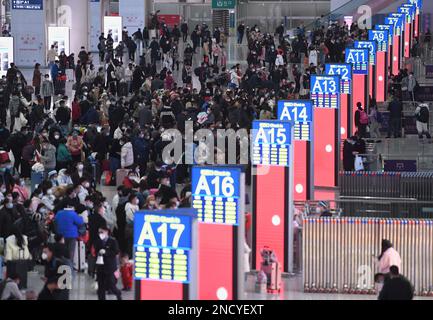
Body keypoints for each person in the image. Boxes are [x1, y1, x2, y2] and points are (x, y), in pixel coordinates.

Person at [94, 226, 122, 300]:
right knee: (101, 286)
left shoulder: (113, 241)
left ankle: (118, 293)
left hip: (110, 267)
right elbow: (95, 251)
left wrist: (106, 252)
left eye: (102, 232)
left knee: (111, 284)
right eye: (99, 232)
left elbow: (116, 251)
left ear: (107, 232)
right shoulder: (98, 241)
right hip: (101, 266)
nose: (100, 234)